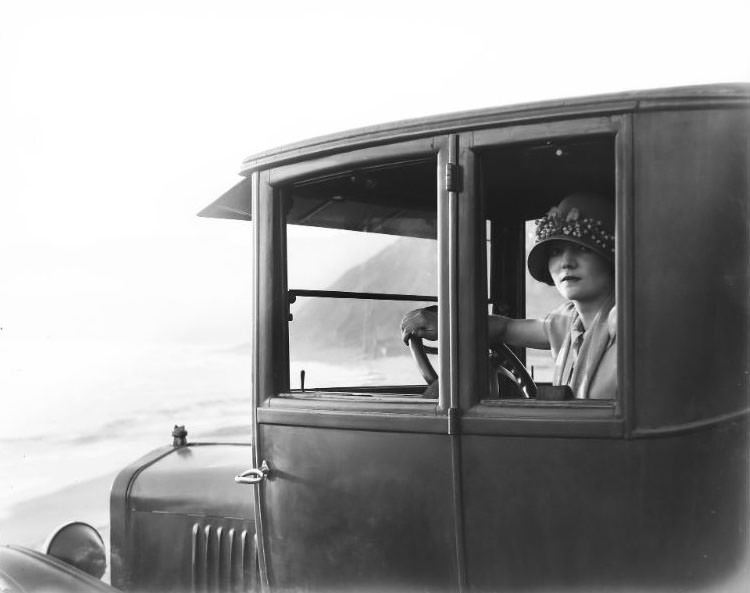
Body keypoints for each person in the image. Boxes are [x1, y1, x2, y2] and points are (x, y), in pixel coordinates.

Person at [400, 192, 616, 399]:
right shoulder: (568, 322)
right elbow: (506, 328)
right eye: (556, 251)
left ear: (612, 257)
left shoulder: (624, 321)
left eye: (583, 248)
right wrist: (445, 324)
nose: (567, 262)